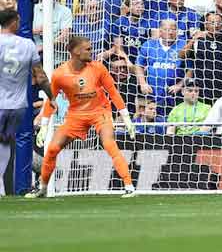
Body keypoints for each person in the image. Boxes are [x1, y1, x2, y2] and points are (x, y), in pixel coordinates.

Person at [28, 35, 136, 198]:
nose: (91, 51)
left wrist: (126, 118)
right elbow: (52, 100)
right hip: (76, 115)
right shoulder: (59, 74)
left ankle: (129, 186)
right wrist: (44, 126)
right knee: (52, 149)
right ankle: (42, 188)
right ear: (76, 51)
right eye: (88, 49)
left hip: (100, 112)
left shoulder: (98, 68)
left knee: (109, 144)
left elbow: (113, 93)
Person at [0, 11, 51, 196]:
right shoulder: (27, 44)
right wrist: (51, 97)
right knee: (6, 144)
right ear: (14, 23)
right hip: (17, 106)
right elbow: (41, 76)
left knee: (4, 145)